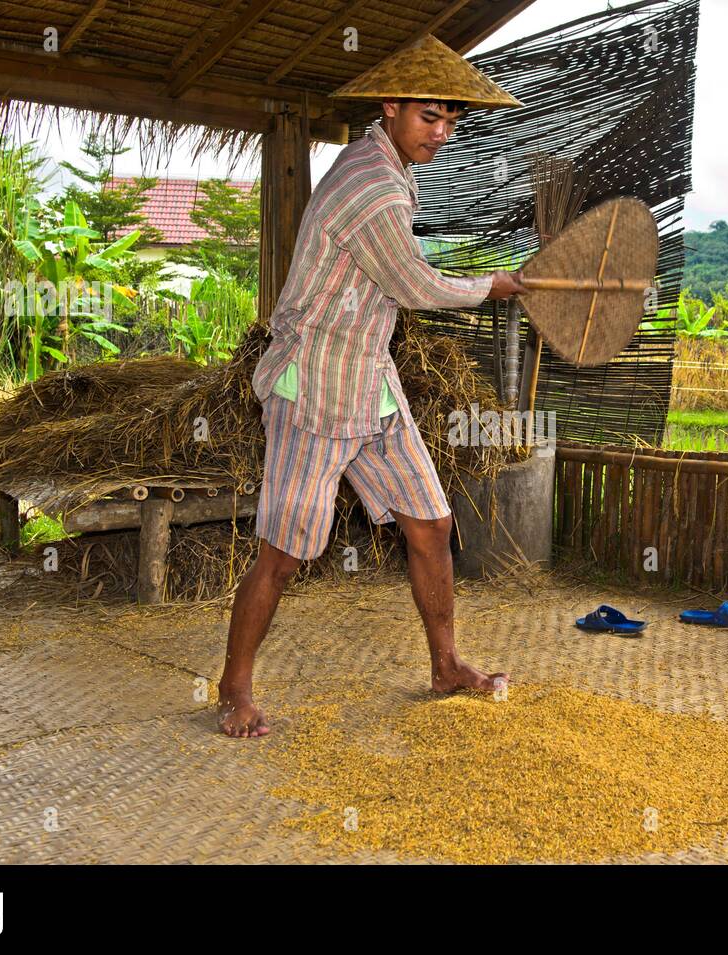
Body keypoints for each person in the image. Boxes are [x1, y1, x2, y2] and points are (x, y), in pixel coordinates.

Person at [219, 36, 527, 737]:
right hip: (316, 383)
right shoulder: (368, 182)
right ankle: (233, 686)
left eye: (450, 119)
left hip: (371, 380)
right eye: (428, 116)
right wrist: (495, 286)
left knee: (432, 522)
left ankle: (446, 664)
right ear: (389, 106)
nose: (441, 132)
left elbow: (396, 276)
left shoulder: (395, 169)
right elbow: (413, 283)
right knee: (285, 551)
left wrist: (493, 284)